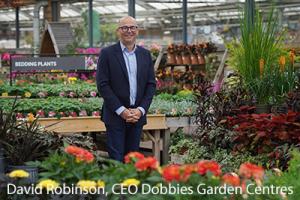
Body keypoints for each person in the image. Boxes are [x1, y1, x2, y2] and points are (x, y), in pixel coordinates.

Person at [96, 16, 156, 162]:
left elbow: (151, 85)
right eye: (124, 28)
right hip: (115, 116)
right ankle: (118, 186)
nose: (129, 31)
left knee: (133, 160)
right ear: (118, 31)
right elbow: (103, 85)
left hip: (137, 116)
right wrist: (121, 110)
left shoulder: (145, 55)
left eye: (132, 27)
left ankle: (131, 186)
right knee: (116, 160)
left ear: (137, 31)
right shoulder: (107, 54)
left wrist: (141, 110)